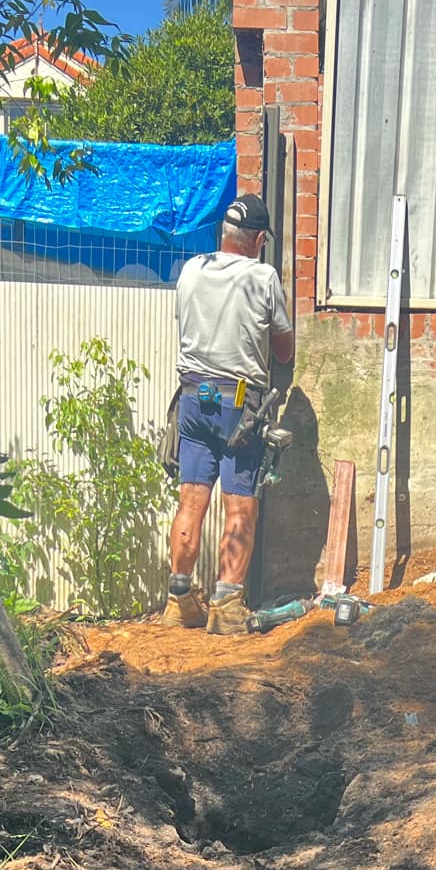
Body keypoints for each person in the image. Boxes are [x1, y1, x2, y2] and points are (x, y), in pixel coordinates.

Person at [164, 193, 294, 635]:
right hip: (238, 404)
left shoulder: (191, 270)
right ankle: (226, 606)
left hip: (192, 398)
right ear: (257, 239)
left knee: (190, 500)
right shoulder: (263, 277)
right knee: (240, 507)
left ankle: (179, 600)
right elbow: (284, 349)